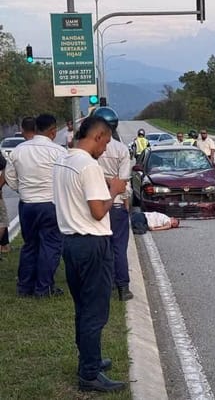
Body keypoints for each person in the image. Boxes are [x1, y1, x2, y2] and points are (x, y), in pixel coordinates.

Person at [53, 115, 128, 393]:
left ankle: (89, 358)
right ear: (97, 136)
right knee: (95, 312)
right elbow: (98, 211)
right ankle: (89, 373)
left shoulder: (63, 160)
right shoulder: (89, 166)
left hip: (70, 242)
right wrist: (114, 189)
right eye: (106, 142)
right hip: (92, 243)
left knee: (82, 308)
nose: (106, 149)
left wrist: (103, 183)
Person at [4, 114, 67, 298]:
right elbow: (65, 179)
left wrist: (22, 190)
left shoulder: (19, 150)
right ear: (53, 131)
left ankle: (24, 287)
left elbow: (10, 178)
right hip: (50, 204)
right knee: (51, 246)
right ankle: (43, 288)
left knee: (30, 245)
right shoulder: (58, 152)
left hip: (27, 205)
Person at [93, 107, 133, 302]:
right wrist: (125, 200)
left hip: (95, 204)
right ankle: (123, 287)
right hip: (116, 204)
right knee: (119, 248)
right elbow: (124, 181)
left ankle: (104, 285)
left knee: (101, 248)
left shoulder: (89, 149)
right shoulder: (121, 150)